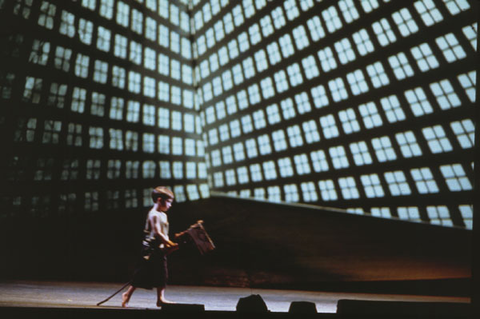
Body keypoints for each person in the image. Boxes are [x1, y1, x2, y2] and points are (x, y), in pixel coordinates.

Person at [122, 186, 179, 308]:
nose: (170, 205)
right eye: (168, 202)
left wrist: (167, 245)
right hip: (150, 249)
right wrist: (169, 243)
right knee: (141, 273)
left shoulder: (163, 215)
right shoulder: (153, 214)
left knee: (162, 273)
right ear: (159, 200)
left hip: (160, 248)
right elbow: (157, 232)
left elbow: (164, 233)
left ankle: (160, 298)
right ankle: (127, 294)